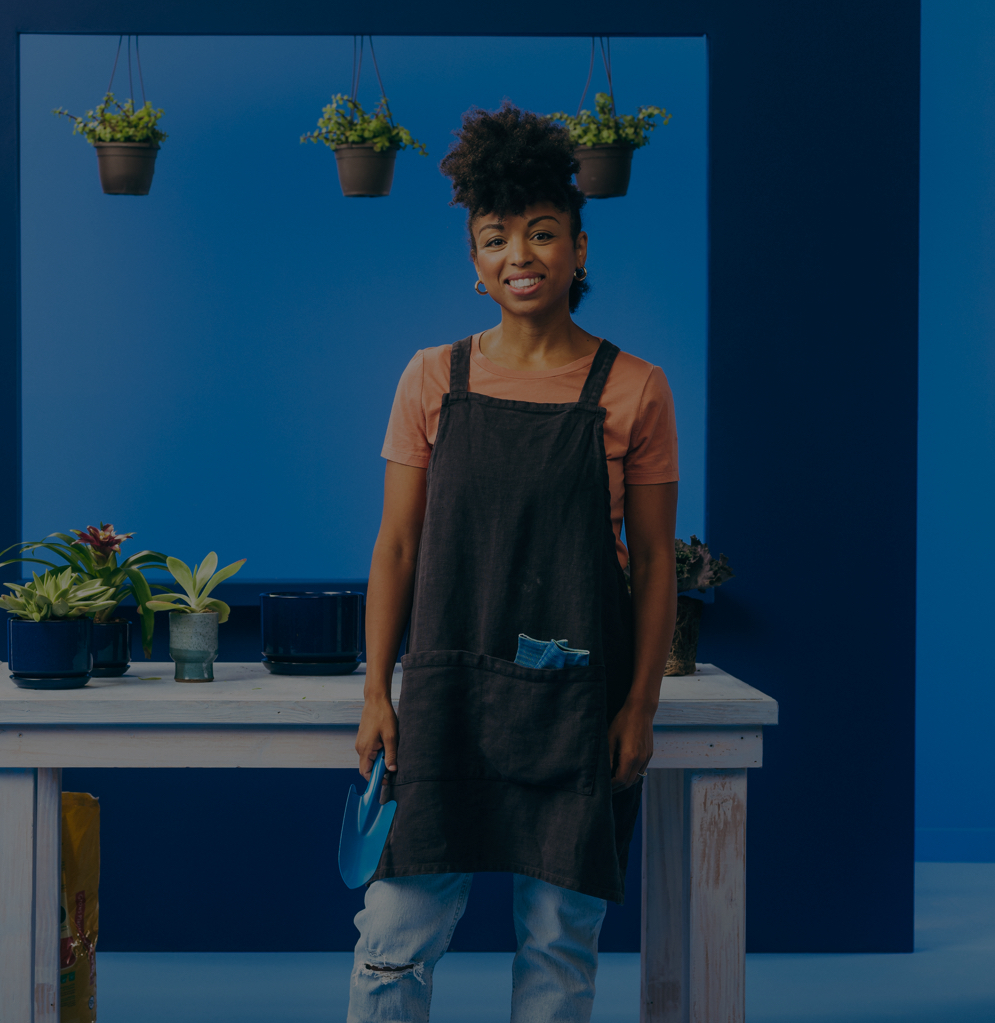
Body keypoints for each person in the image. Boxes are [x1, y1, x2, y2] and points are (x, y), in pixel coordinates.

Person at [349, 101, 680, 1023]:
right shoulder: (430, 377)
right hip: (446, 697)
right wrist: (379, 691)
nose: (520, 255)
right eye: (496, 238)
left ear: (578, 246)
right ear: (473, 260)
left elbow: (654, 564)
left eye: (542, 233)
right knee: (393, 936)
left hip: (576, 703)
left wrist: (639, 706)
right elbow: (399, 545)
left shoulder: (634, 388)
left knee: (559, 953)